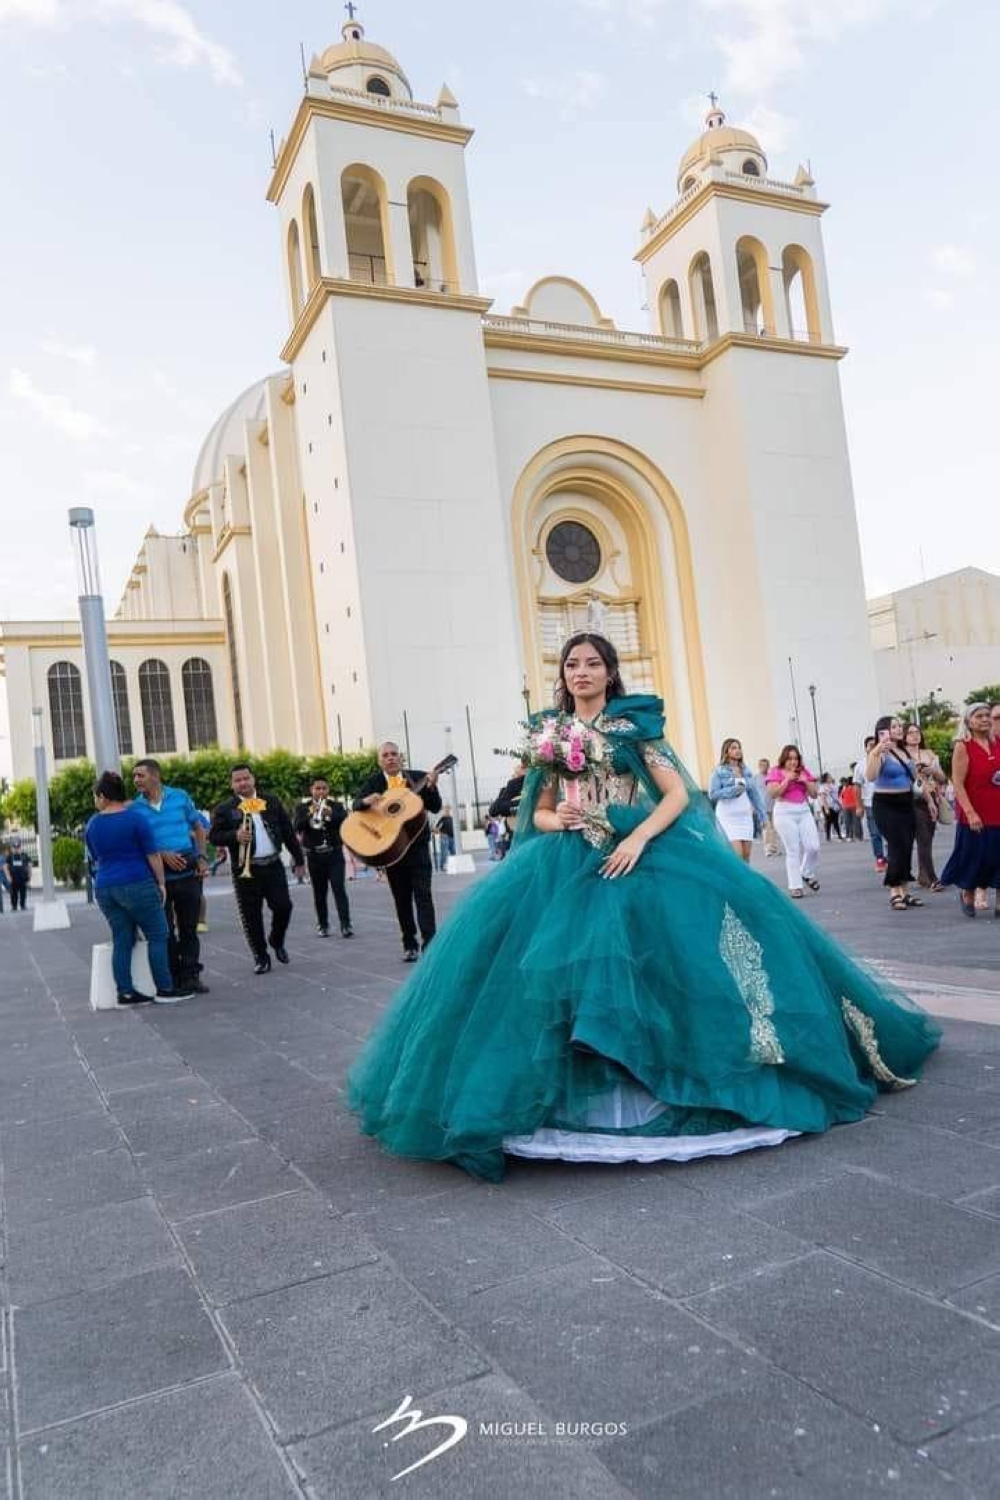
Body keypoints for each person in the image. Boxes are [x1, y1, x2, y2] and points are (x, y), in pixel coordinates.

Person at [347, 632, 940, 1183]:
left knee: (670, 959)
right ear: (563, 675)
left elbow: (677, 793)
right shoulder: (549, 733)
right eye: (572, 664)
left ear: (610, 672)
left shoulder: (635, 725)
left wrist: (634, 837)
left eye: (592, 664)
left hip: (642, 848)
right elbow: (542, 809)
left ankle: (670, 1076)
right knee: (548, 974)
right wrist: (565, 820)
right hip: (566, 857)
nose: (581, 672)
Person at [85, 772, 195, 1005]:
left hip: (105, 887)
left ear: (103, 796)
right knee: (158, 934)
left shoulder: (92, 824)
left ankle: (125, 992)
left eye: (96, 796)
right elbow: (153, 855)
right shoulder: (135, 819)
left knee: (122, 938)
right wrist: (162, 883)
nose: (96, 801)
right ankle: (165, 989)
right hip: (137, 882)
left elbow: (95, 856)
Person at [210, 764, 305, 974]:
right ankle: (261, 956)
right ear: (232, 784)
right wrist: (233, 836)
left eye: (246, 778)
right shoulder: (225, 809)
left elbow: (288, 831)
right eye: (238, 780)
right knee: (251, 916)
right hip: (245, 870)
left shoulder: (270, 801)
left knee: (284, 907)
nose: (242, 783)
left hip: (272, 865)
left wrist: (299, 860)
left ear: (253, 779)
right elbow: (214, 836)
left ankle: (276, 939)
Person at [353, 744, 441, 961]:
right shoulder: (374, 782)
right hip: (392, 851)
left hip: (417, 847)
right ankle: (409, 943)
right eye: (385, 755)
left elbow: (436, 807)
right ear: (379, 761)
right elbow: (356, 805)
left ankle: (430, 944)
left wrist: (431, 787)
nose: (390, 758)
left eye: (394, 754)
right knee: (401, 899)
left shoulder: (418, 777)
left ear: (401, 758)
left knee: (424, 896)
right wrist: (366, 801)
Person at [132, 760, 209, 995]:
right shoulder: (136, 808)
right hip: (159, 878)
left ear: (155, 776)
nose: (136, 780)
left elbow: (197, 827)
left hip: (188, 871)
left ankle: (191, 976)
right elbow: (138, 843)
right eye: (134, 776)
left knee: (189, 928)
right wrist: (161, 854)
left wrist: (202, 857)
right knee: (164, 931)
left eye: (140, 775)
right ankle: (174, 978)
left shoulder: (180, 797)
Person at [941, 703, 1000, 919]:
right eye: (979, 716)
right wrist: (971, 812)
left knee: (998, 857)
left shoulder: (998, 743)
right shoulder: (963, 746)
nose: (985, 719)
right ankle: (967, 892)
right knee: (974, 857)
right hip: (975, 813)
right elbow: (957, 783)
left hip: (998, 809)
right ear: (969, 721)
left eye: (987, 716)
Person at [865, 716, 921, 912]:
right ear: (884, 731)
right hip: (886, 804)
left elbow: (915, 778)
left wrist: (930, 800)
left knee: (906, 846)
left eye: (900, 726)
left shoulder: (903, 750)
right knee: (896, 845)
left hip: (906, 802)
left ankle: (905, 891)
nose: (899, 729)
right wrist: (877, 751)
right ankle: (894, 891)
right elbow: (871, 776)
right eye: (894, 726)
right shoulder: (881, 751)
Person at [294, 778, 353, 938]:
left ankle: (346, 924)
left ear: (328, 790)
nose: (321, 792)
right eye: (317, 788)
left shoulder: (336, 806)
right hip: (314, 856)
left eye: (324, 788)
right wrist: (310, 814)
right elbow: (297, 826)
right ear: (311, 790)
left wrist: (331, 814)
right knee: (319, 893)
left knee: (339, 889)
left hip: (334, 854)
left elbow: (346, 821)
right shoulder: (302, 807)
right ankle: (323, 924)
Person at [766, 747, 820, 898]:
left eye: (796, 758)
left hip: (803, 810)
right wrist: (787, 779)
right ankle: (795, 886)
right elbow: (772, 793)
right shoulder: (775, 771)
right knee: (793, 849)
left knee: (813, 847)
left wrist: (806, 782)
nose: (793, 762)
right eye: (790, 758)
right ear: (784, 759)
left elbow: (814, 794)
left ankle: (806, 872)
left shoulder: (804, 771)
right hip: (784, 812)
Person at [904, 722, 947, 892]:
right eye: (910, 733)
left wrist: (933, 771)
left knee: (928, 837)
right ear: (904, 737)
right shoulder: (903, 755)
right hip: (913, 799)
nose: (915, 735)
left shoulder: (928, 753)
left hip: (932, 797)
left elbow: (942, 778)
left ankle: (923, 875)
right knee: (923, 839)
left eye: (917, 732)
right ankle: (932, 877)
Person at [708, 738, 767, 863]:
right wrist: (734, 790)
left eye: (739, 747)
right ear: (726, 751)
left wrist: (762, 816)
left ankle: (744, 883)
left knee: (746, 856)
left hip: (745, 818)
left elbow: (754, 795)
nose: (737, 750)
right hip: (727, 818)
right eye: (733, 748)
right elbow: (712, 794)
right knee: (738, 856)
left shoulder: (746, 771)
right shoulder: (719, 771)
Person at [857, 736, 886, 871]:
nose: (873, 747)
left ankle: (892, 858)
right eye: (870, 745)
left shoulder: (885, 760)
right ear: (866, 748)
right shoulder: (860, 765)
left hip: (887, 801)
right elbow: (857, 786)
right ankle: (880, 859)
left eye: (876, 744)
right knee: (875, 833)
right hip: (870, 804)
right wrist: (859, 806)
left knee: (890, 832)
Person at [489, 759, 527, 857]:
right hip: (515, 836)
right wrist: (518, 806)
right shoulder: (509, 788)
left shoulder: (539, 782)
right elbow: (493, 810)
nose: (512, 777)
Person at [752, 757, 779, 858]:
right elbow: (752, 793)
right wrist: (753, 806)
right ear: (759, 766)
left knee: (774, 828)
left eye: (765, 765)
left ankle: (774, 848)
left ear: (768, 766)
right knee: (766, 829)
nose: (763, 767)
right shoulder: (755, 778)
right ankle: (768, 849)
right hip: (761, 807)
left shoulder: (771, 777)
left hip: (774, 805)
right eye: (761, 765)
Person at [5, 838, 31, 911]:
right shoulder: (9, 857)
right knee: (13, 894)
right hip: (13, 879)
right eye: (14, 847)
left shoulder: (24, 855)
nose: (16, 849)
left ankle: (23, 905)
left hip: (23, 878)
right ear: (12, 848)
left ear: (20, 847)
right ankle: (14, 906)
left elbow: (29, 867)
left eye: (18, 847)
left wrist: (29, 878)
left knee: (23, 893)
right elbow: (5, 867)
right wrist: (8, 877)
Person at [817, 774, 844, 842]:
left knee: (836, 821)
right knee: (828, 821)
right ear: (826, 779)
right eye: (829, 777)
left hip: (835, 806)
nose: (831, 778)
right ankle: (828, 836)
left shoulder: (834, 786)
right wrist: (826, 808)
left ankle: (839, 835)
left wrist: (840, 805)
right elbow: (823, 798)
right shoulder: (823, 787)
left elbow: (836, 797)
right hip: (827, 806)